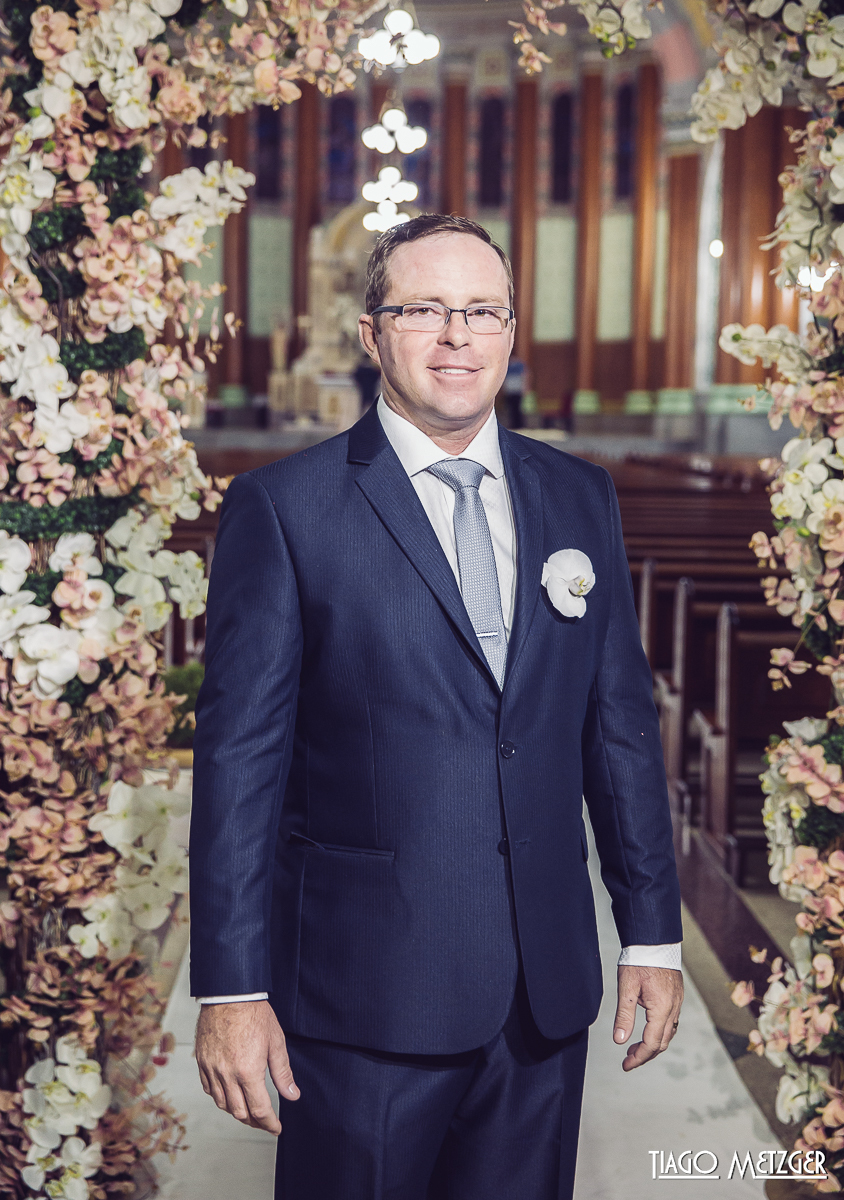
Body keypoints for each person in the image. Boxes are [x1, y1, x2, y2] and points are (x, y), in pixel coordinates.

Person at [189, 213, 684, 1200]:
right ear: (371, 334)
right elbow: (239, 765)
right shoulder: (285, 510)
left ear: (510, 333)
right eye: (422, 309)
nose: (456, 336)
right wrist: (233, 988)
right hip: (363, 991)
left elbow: (618, 730)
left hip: (541, 996)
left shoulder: (579, 496)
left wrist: (652, 933)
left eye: (481, 311)